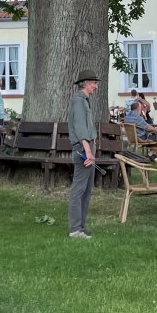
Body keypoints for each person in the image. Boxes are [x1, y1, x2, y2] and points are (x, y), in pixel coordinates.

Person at [68, 69, 99, 239]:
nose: (96, 86)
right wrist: (87, 150)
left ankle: (81, 227)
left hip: (88, 147)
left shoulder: (84, 100)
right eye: (94, 83)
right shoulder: (78, 101)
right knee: (79, 189)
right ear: (86, 84)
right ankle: (75, 230)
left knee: (86, 190)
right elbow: (80, 127)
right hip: (82, 149)